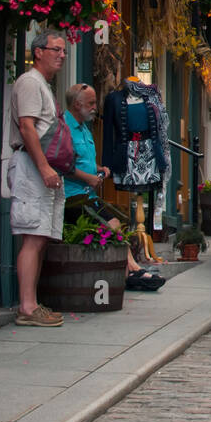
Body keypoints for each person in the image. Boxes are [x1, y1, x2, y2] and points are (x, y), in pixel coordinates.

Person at [61, 83, 163, 291]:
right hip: (72, 196)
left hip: (87, 194)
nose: (94, 108)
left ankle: (128, 270)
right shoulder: (64, 128)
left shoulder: (83, 128)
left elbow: (81, 160)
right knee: (111, 223)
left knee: (120, 219)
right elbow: (63, 164)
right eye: (90, 103)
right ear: (77, 104)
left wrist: (98, 168)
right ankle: (132, 270)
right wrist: (89, 178)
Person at [9, 30, 69, 327]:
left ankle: (32, 303)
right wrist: (44, 167)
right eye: (55, 50)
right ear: (38, 52)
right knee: (33, 235)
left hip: (42, 168)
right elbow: (27, 128)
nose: (61, 55)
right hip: (33, 167)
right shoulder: (30, 82)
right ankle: (27, 306)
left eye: (63, 51)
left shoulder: (41, 84)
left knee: (41, 235)